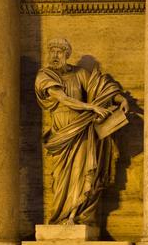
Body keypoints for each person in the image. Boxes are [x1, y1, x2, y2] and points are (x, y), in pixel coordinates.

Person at [34, 37, 131, 225]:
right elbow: (63, 99)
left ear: (67, 55)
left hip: (83, 129)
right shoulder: (44, 76)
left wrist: (121, 100)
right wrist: (91, 108)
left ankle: (74, 216)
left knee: (82, 170)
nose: (54, 55)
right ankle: (61, 215)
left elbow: (101, 87)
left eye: (59, 52)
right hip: (63, 131)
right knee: (61, 175)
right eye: (52, 51)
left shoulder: (80, 74)